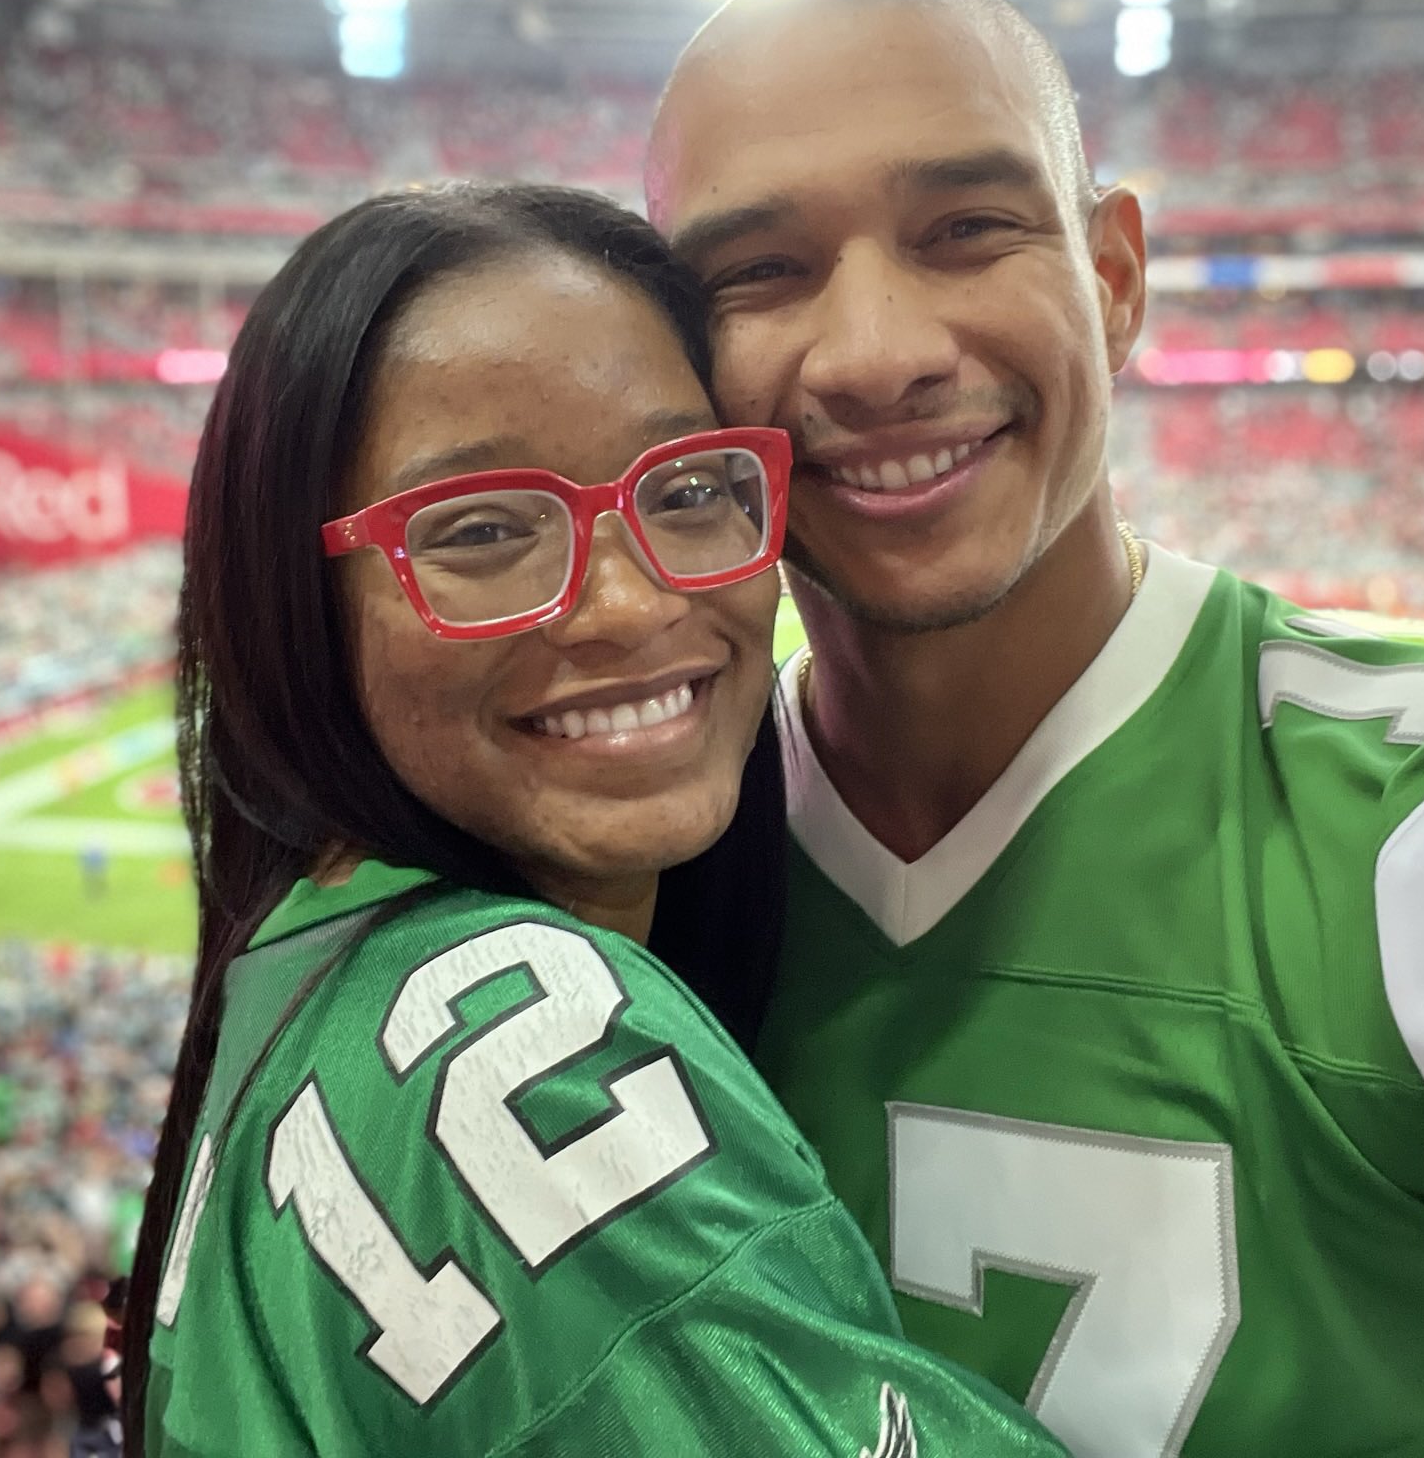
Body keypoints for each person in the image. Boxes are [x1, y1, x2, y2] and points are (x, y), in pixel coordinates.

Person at [645, 0, 1424, 1458]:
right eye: (758, 270)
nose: (880, 355)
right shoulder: (624, 875)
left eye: (966, 228)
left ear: (1113, 278)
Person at [118, 183, 1074, 1456]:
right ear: (293, 596)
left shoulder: (303, 969)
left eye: (685, 492)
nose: (625, 606)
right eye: (477, 529)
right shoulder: (526, 1044)